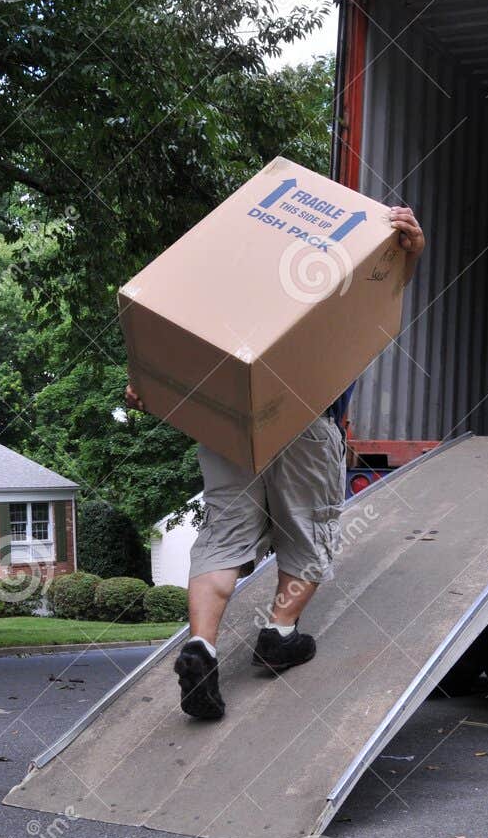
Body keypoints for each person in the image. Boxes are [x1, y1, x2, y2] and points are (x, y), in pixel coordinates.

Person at [125, 206, 425, 719]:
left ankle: (201, 647)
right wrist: (410, 251)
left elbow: (168, 347)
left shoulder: (221, 289)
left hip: (227, 418)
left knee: (223, 537)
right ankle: (279, 633)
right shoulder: (323, 293)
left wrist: (154, 387)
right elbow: (380, 293)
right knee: (308, 532)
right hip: (305, 416)